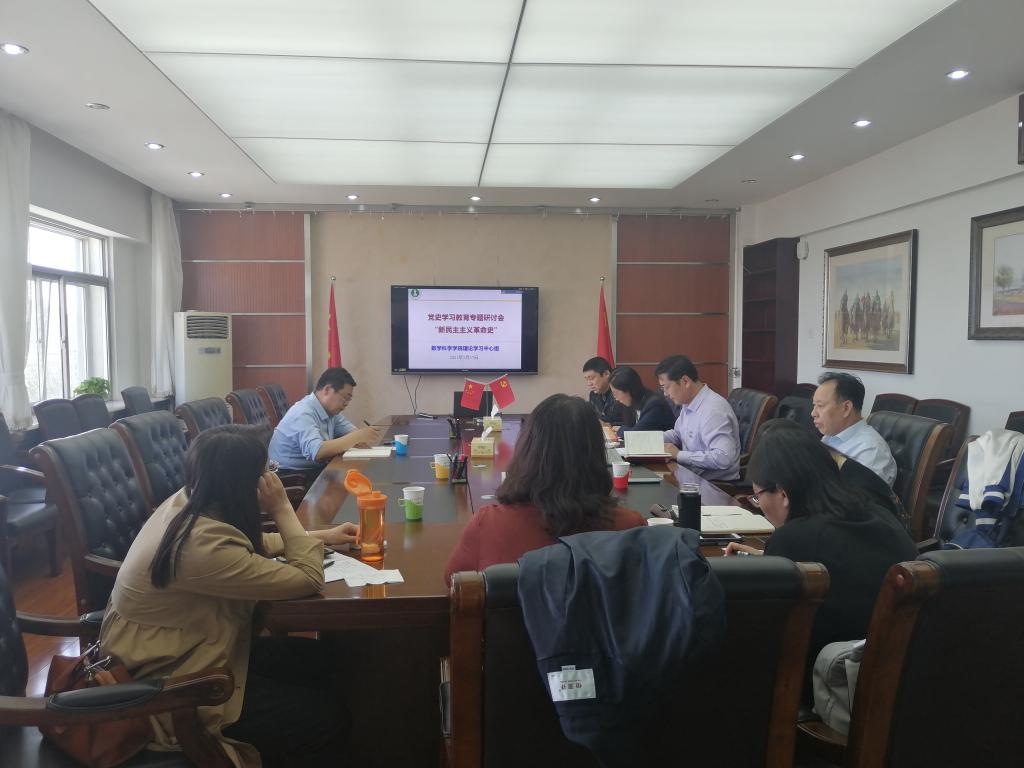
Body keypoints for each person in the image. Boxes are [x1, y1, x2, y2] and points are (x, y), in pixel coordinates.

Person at [99, 425, 360, 767]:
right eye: (266, 471)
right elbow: (308, 578)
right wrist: (282, 508)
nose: (271, 479)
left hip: (198, 649)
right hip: (176, 689)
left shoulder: (188, 501)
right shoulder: (197, 546)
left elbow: (242, 547)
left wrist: (320, 536)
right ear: (241, 484)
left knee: (328, 661)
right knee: (326, 718)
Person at [724, 425, 917, 699]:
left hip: (833, 685)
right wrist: (769, 561)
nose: (760, 505)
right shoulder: (877, 512)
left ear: (783, 494)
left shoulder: (794, 538)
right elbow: (846, 566)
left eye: (757, 497)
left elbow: (769, 629)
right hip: (902, 678)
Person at [444, 394, 645, 583]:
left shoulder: (489, 525)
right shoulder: (630, 528)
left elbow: (455, 583)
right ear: (597, 455)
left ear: (527, 450)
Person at [268, 367, 381, 477]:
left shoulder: (330, 412)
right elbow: (317, 451)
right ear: (327, 390)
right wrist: (356, 437)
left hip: (311, 469)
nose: (347, 403)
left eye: (349, 400)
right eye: (345, 398)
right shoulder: (303, 412)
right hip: (288, 476)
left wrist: (360, 437)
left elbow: (351, 432)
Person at [657, 356, 740, 481]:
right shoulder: (689, 402)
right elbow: (678, 434)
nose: (665, 394)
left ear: (685, 381)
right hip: (690, 476)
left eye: (666, 387)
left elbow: (723, 458)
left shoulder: (713, 410)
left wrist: (678, 455)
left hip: (714, 485)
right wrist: (650, 440)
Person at [812, 371, 897, 487]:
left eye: (820, 406)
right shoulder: (830, 437)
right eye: (814, 405)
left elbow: (855, 497)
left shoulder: (871, 451)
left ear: (846, 408)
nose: (813, 413)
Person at [608, 366, 676, 439]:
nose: (615, 398)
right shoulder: (632, 402)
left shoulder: (654, 405)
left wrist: (620, 429)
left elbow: (636, 435)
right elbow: (630, 427)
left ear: (628, 390)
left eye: (615, 393)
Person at [582, 356, 625, 425]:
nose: (589, 384)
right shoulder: (593, 395)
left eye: (591, 378)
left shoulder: (621, 392)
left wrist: (607, 424)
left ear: (606, 374)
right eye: (587, 379)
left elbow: (631, 422)